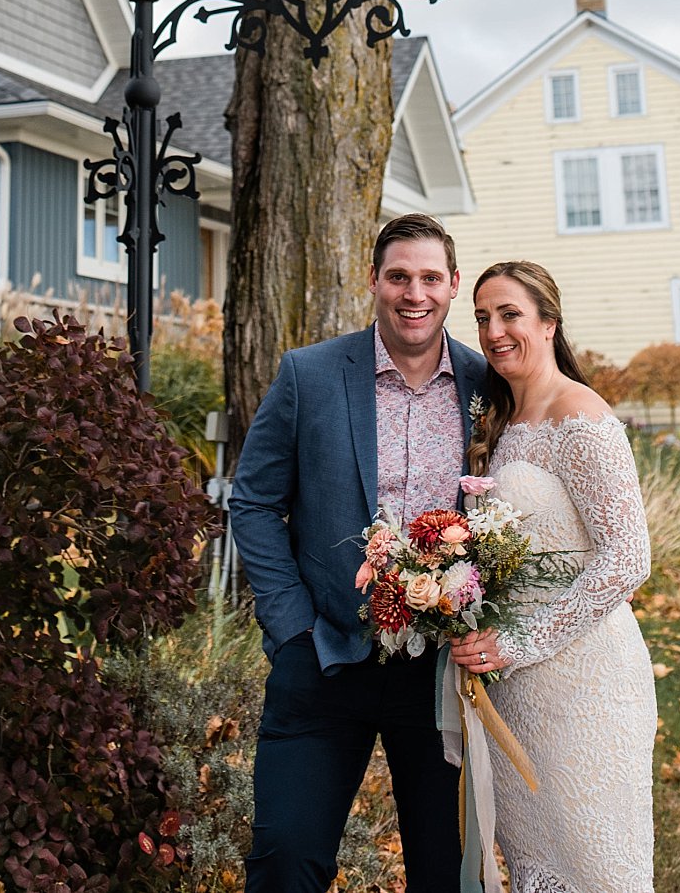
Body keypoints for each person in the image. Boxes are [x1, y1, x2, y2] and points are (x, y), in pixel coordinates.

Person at [230, 212, 488, 893]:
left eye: (430, 277)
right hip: (324, 658)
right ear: (373, 279)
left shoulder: (487, 386)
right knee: (286, 859)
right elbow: (252, 501)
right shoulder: (309, 375)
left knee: (444, 872)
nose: (414, 293)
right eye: (399, 276)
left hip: (440, 677)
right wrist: (291, 627)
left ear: (453, 284)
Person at [449, 260, 656, 893]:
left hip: (585, 684)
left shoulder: (580, 415)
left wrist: (517, 643)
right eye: (482, 317)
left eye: (510, 314)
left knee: (598, 869)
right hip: (513, 693)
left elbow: (627, 557)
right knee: (539, 869)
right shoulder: (500, 422)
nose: (493, 331)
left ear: (548, 322)